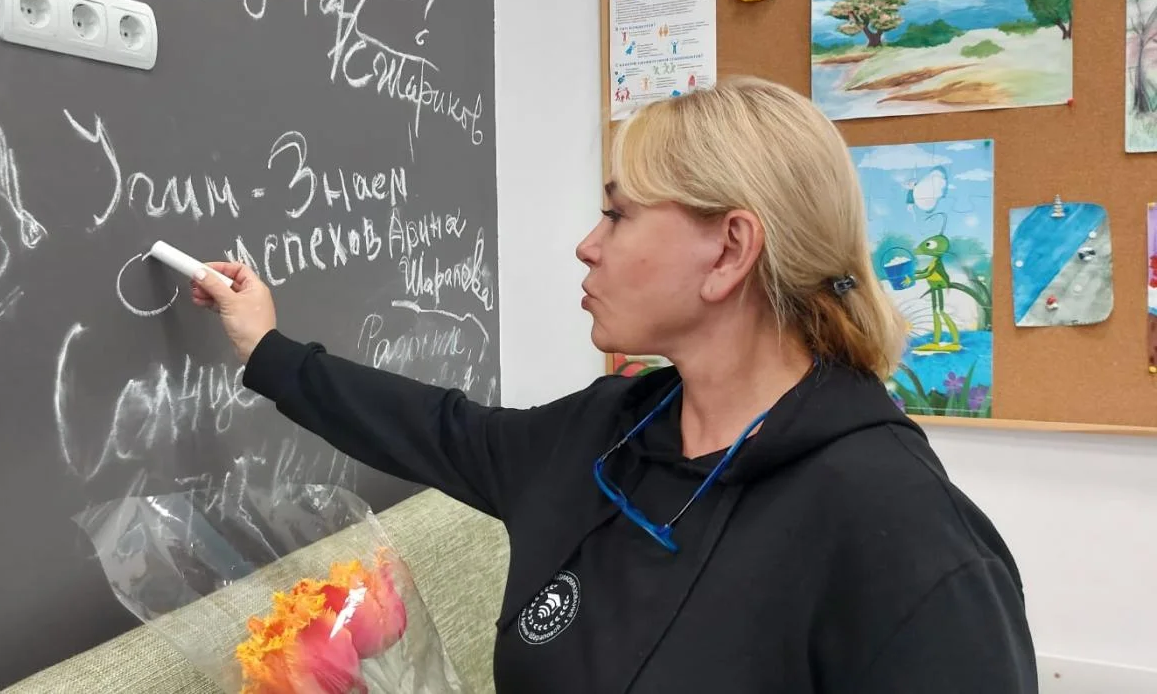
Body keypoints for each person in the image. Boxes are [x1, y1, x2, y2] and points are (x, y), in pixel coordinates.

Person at [189, 75, 1038, 693]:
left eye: (619, 214)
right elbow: (442, 428)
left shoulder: (904, 535)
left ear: (730, 250)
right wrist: (268, 348)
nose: (588, 245)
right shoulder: (609, 433)